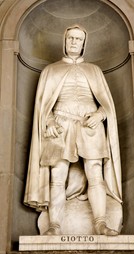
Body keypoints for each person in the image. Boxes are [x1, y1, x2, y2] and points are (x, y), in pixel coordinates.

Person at [24, 25, 122, 236]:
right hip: (61, 124)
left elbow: (107, 104)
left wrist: (100, 114)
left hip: (89, 125)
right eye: (71, 38)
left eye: (78, 39)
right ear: (64, 41)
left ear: (84, 43)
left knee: (95, 173)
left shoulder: (94, 70)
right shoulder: (51, 70)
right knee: (57, 175)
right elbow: (43, 106)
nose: (74, 42)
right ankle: (54, 226)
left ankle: (100, 223)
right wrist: (49, 121)